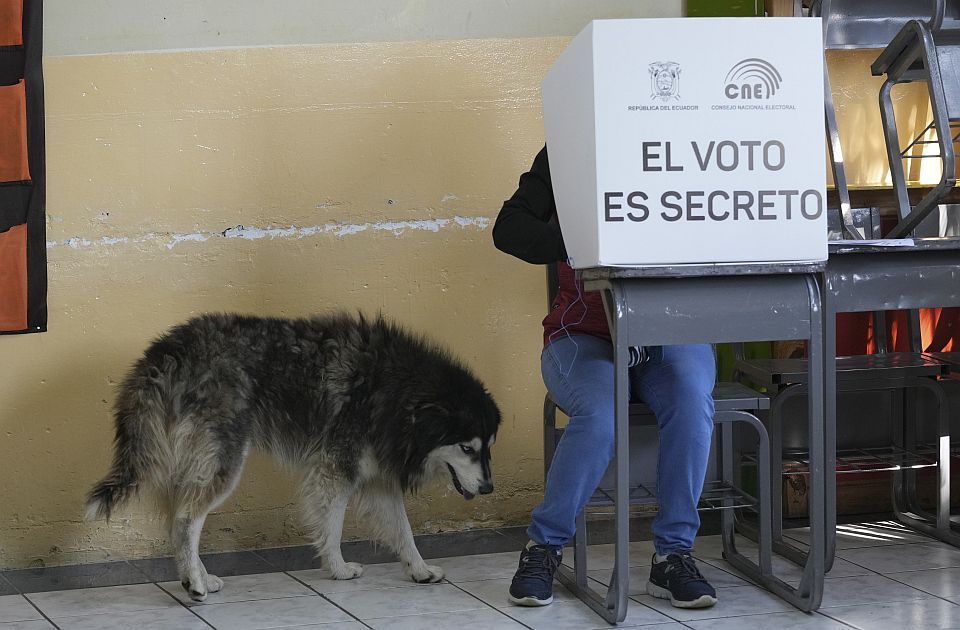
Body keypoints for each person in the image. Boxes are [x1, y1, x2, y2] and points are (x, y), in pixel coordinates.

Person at [492, 145, 718, 609]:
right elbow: (508, 230)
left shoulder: (695, 138)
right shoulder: (567, 147)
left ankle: (673, 557)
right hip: (582, 335)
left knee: (692, 402)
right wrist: (577, 241)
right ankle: (543, 547)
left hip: (669, 328)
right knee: (598, 416)